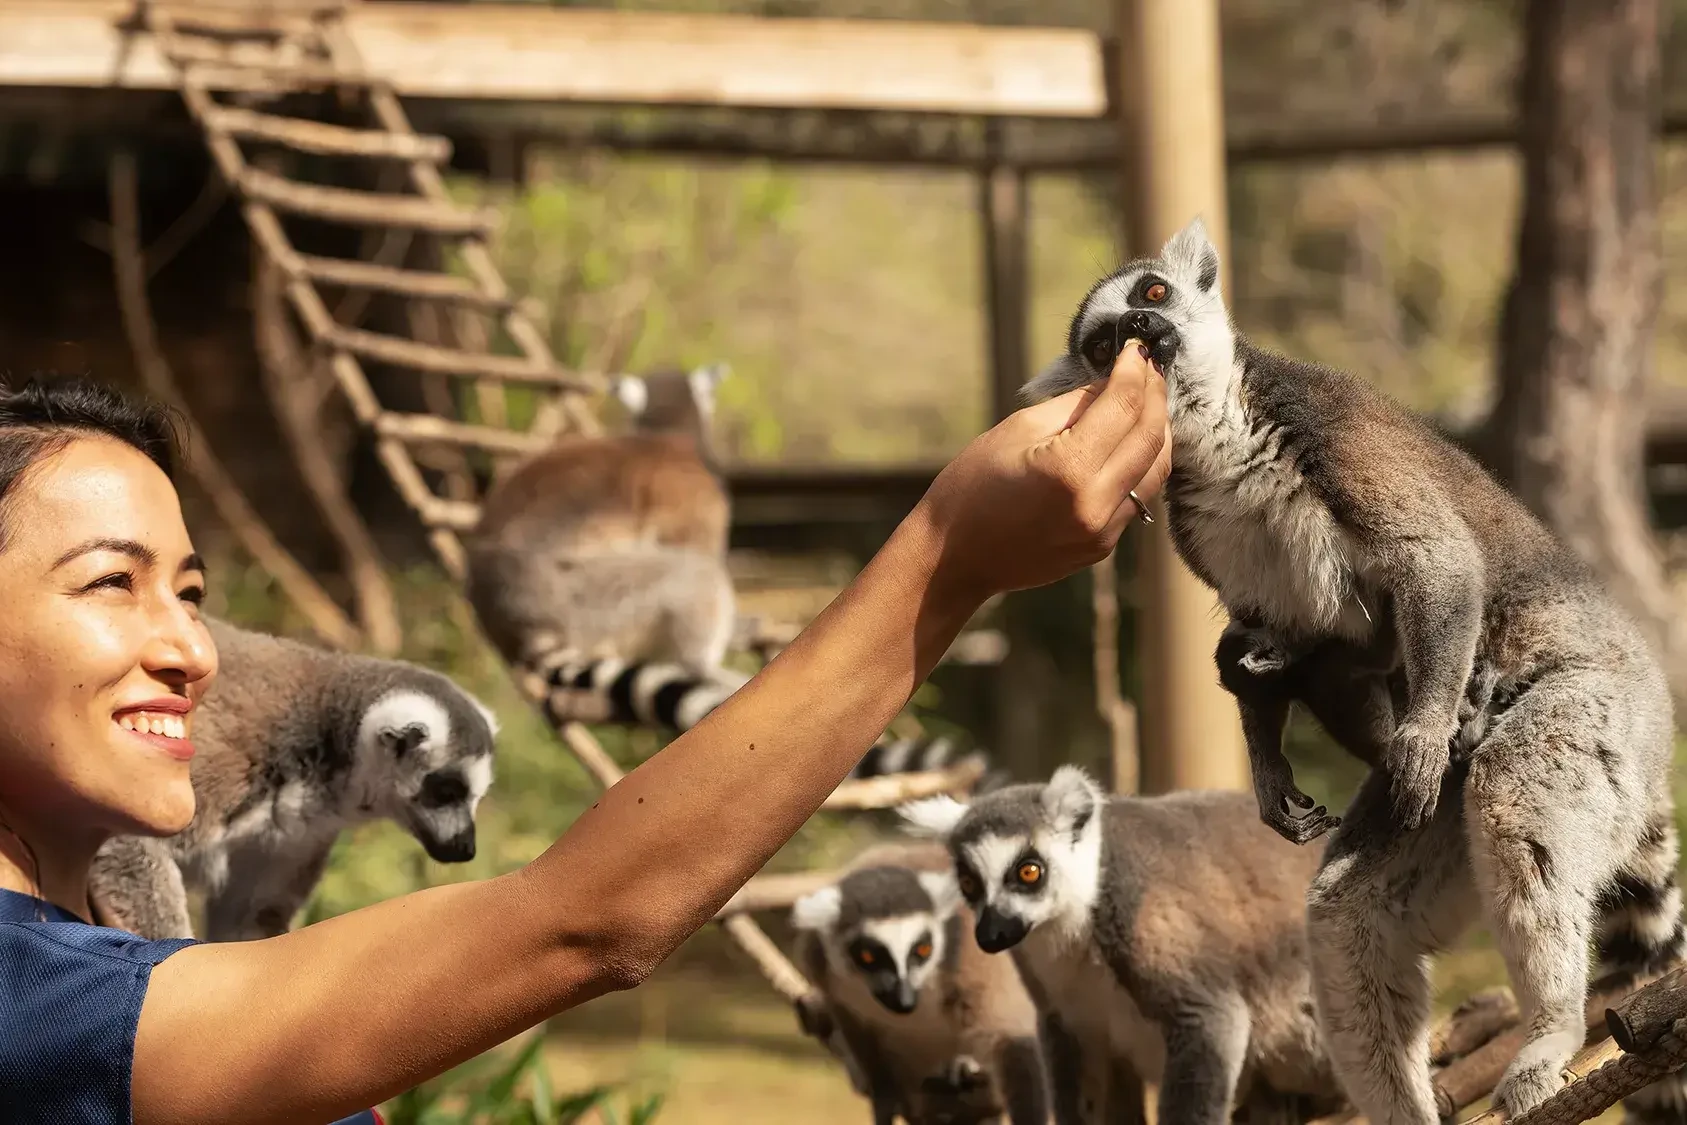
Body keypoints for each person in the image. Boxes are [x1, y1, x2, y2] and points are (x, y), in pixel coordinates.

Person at [0, 343, 1170, 1125]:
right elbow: (582, 922)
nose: (193, 650)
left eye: (193, 596)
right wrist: (944, 558)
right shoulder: (33, 1005)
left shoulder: (120, 971)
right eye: (112, 583)